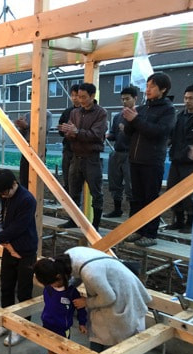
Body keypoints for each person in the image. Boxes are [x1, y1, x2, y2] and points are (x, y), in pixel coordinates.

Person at [39, 246, 152, 354]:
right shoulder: (67, 258)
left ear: (58, 276)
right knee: (97, 327)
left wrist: (86, 302)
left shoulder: (91, 274)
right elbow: (76, 277)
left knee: (115, 329)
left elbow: (109, 297)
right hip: (109, 284)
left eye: (53, 284)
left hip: (121, 290)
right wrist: (68, 290)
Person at [123, 73, 176, 247]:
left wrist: (135, 119)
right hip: (135, 159)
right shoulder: (143, 108)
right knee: (136, 198)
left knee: (151, 198)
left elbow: (159, 132)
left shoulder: (168, 110)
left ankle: (151, 234)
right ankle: (137, 230)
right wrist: (129, 120)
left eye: (152, 86)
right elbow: (129, 133)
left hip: (152, 161)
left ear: (163, 89)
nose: (148, 89)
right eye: (147, 86)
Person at [0, 169, 38, 346]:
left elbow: (18, 227)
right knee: (6, 287)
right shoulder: (5, 196)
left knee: (24, 291)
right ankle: (5, 322)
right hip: (8, 248)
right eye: (0, 193)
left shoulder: (27, 200)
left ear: (14, 184)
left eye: (4, 192)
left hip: (25, 250)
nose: (3, 196)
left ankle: (21, 328)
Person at [58, 83, 107, 231]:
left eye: (84, 97)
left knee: (96, 192)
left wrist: (77, 132)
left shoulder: (101, 113)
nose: (80, 100)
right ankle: (73, 219)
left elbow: (96, 135)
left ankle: (95, 224)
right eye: (79, 97)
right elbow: (70, 133)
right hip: (76, 156)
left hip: (92, 157)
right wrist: (68, 132)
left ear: (92, 96)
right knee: (73, 190)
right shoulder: (75, 112)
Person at [33, 257, 87, 354]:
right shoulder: (48, 287)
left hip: (63, 326)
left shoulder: (71, 292)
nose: (50, 284)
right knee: (50, 344)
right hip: (48, 322)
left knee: (64, 347)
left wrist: (82, 322)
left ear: (59, 277)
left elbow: (81, 308)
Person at [166, 83, 193, 233]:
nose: (187, 101)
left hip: (192, 162)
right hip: (176, 158)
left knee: (189, 193)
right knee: (173, 190)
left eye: (191, 98)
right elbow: (172, 135)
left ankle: (190, 222)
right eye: (185, 98)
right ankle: (179, 220)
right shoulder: (180, 116)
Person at [103, 86, 137, 218]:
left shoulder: (138, 116)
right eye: (122, 99)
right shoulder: (118, 117)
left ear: (135, 98)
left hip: (131, 154)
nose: (124, 102)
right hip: (117, 152)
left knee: (131, 184)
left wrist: (127, 129)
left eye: (127, 99)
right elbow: (113, 134)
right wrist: (108, 135)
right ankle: (117, 209)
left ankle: (133, 212)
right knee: (114, 182)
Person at [15, 110, 52, 188]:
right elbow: (22, 134)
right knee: (24, 175)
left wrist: (27, 126)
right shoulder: (27, 115)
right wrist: (21, 127)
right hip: (27, 147)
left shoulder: (47, 114)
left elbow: (43, 131)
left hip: (39, 147)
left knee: (37, 175)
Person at [58, 84, 81, 192]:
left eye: (77, 95)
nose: (74, 98)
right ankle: (66, 197)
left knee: (76, 181)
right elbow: (60, 128)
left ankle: (75, 200)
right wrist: (63, 130)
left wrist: (75, 131)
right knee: (66, 178)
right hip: (67, 149)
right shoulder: (67, 111)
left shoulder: (86, 112)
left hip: (80, 151)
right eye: (72, 95)